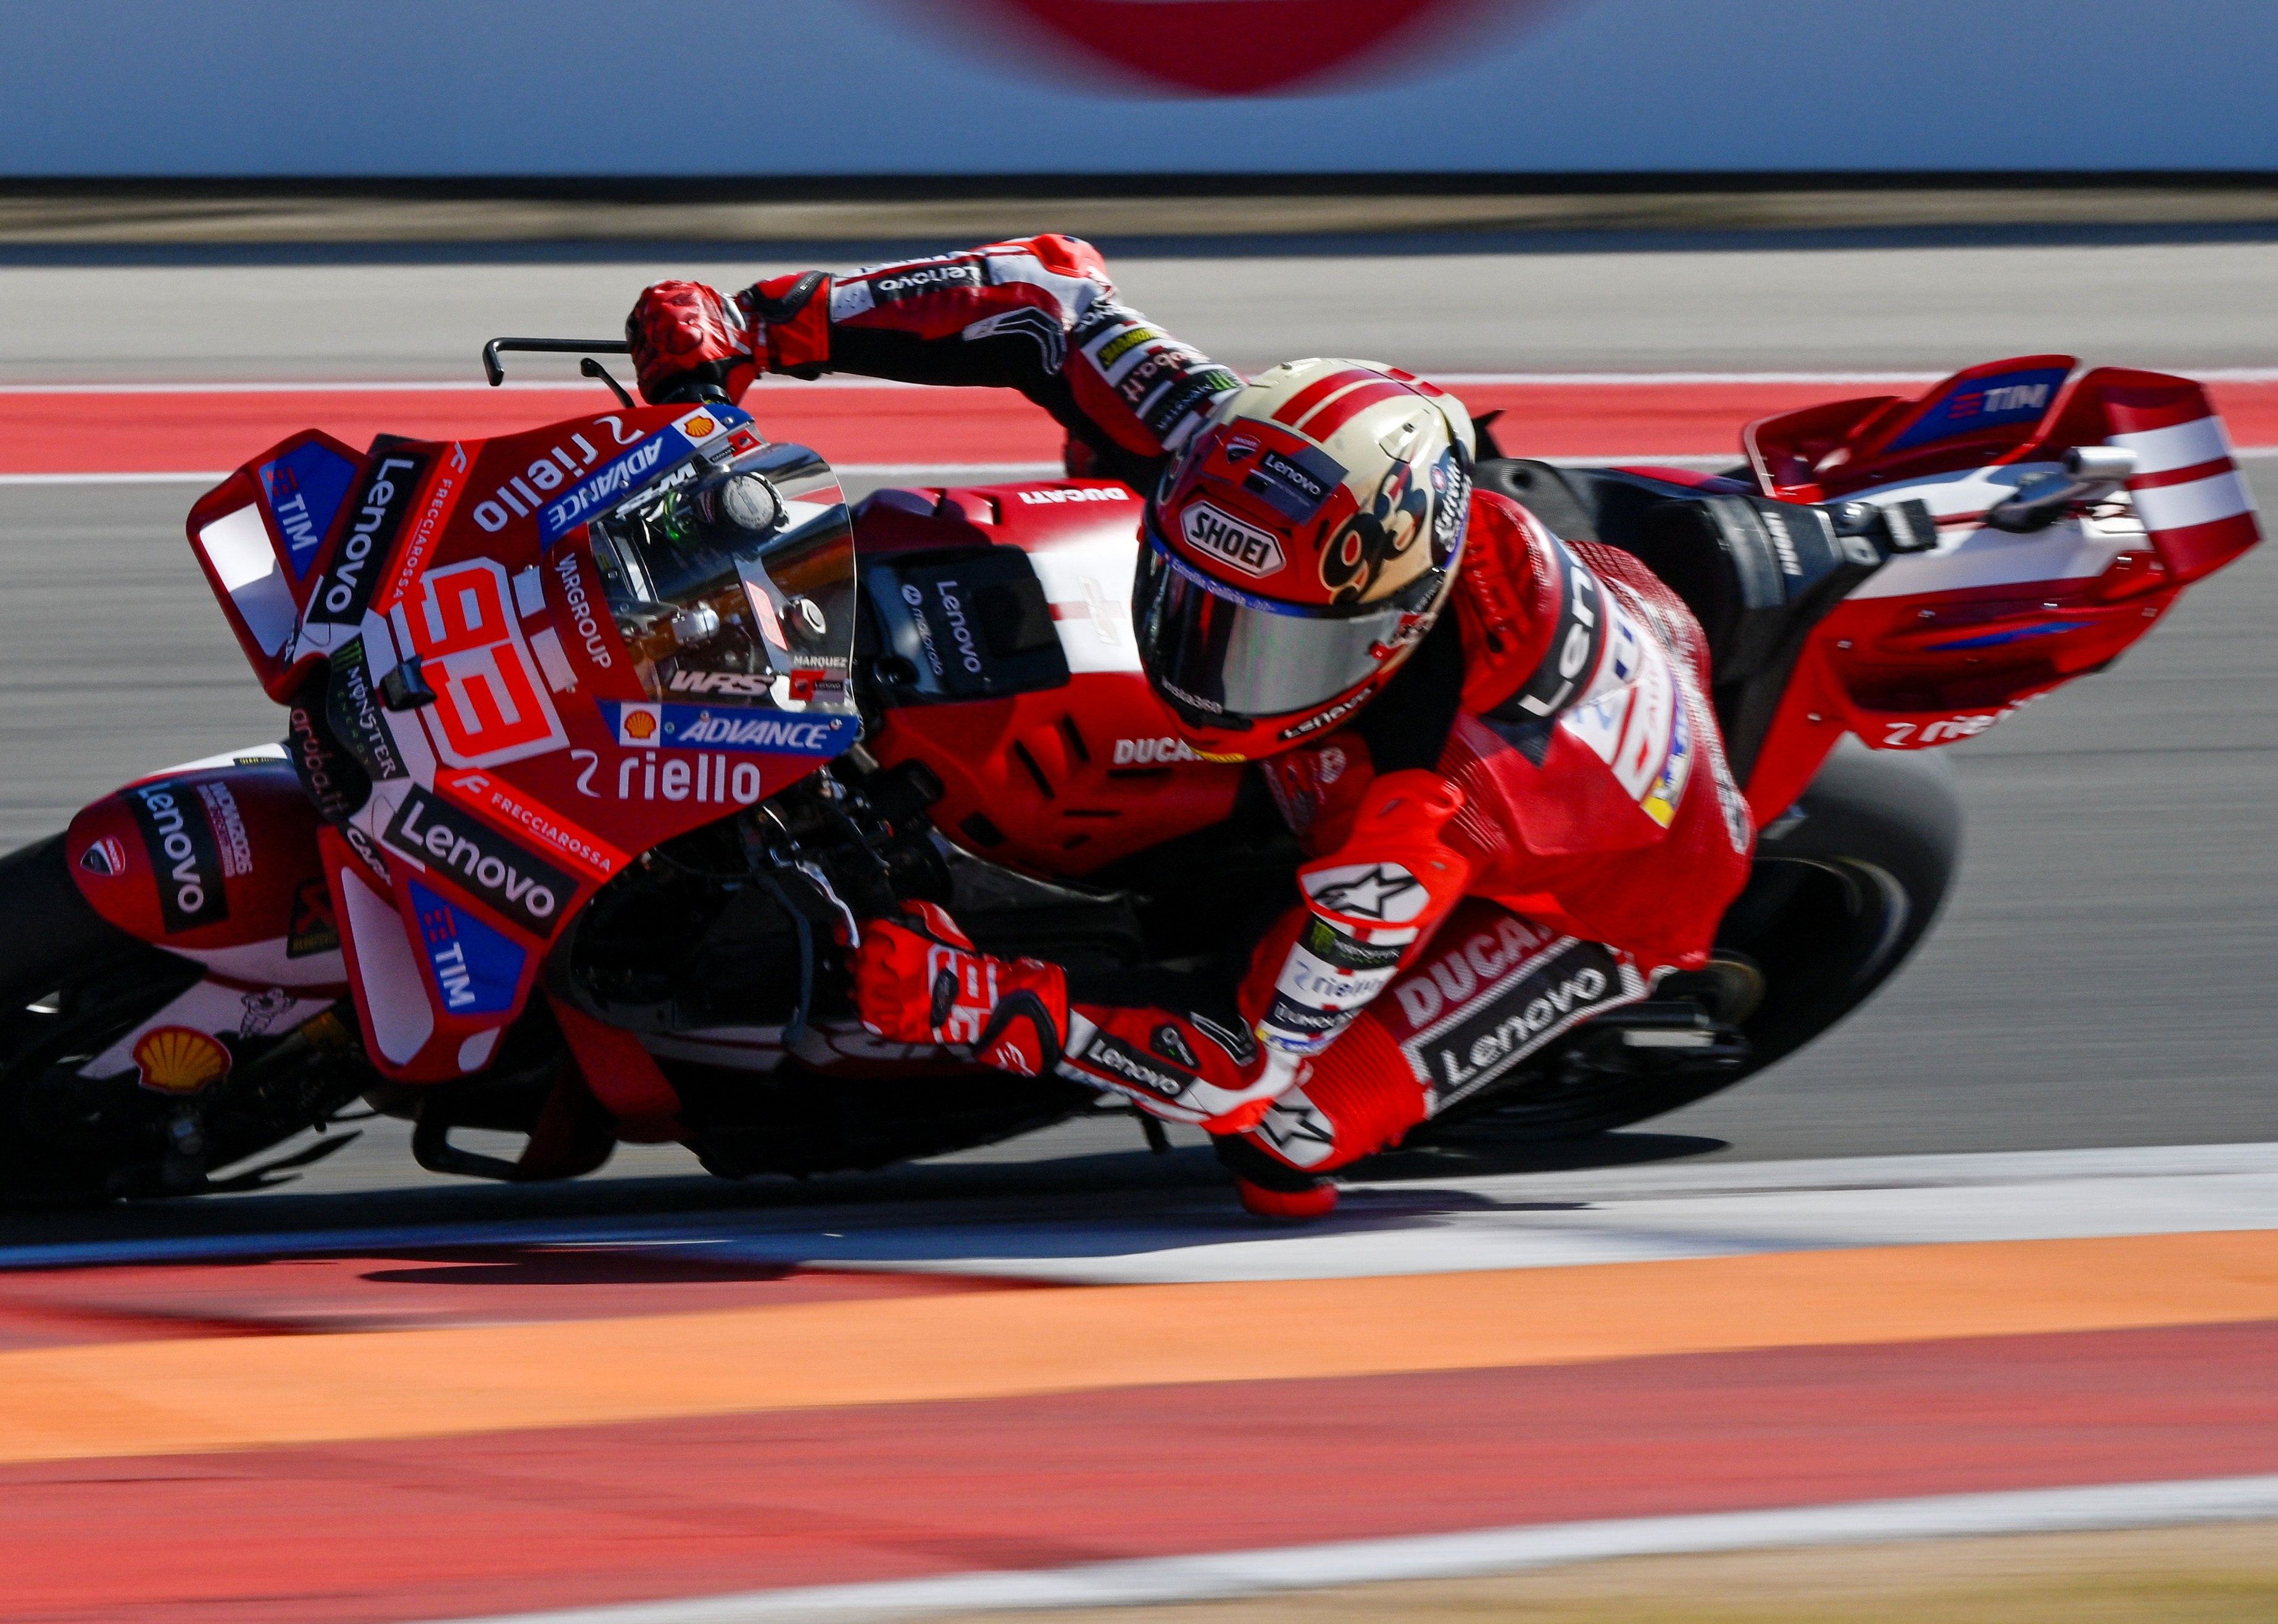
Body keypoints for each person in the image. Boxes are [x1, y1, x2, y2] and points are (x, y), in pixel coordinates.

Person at [626, 235, 1753, 1217]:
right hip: (1524, 595)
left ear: (1384, 633)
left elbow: (1247, 1065)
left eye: (1260, 645)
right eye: (1194, 603)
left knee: (1286, 1136)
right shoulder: (1242, 456)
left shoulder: (1426, 813)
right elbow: (1046, 295)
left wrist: (989, 1002)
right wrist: (765, 326)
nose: (1206, 662)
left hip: (1615, 874)